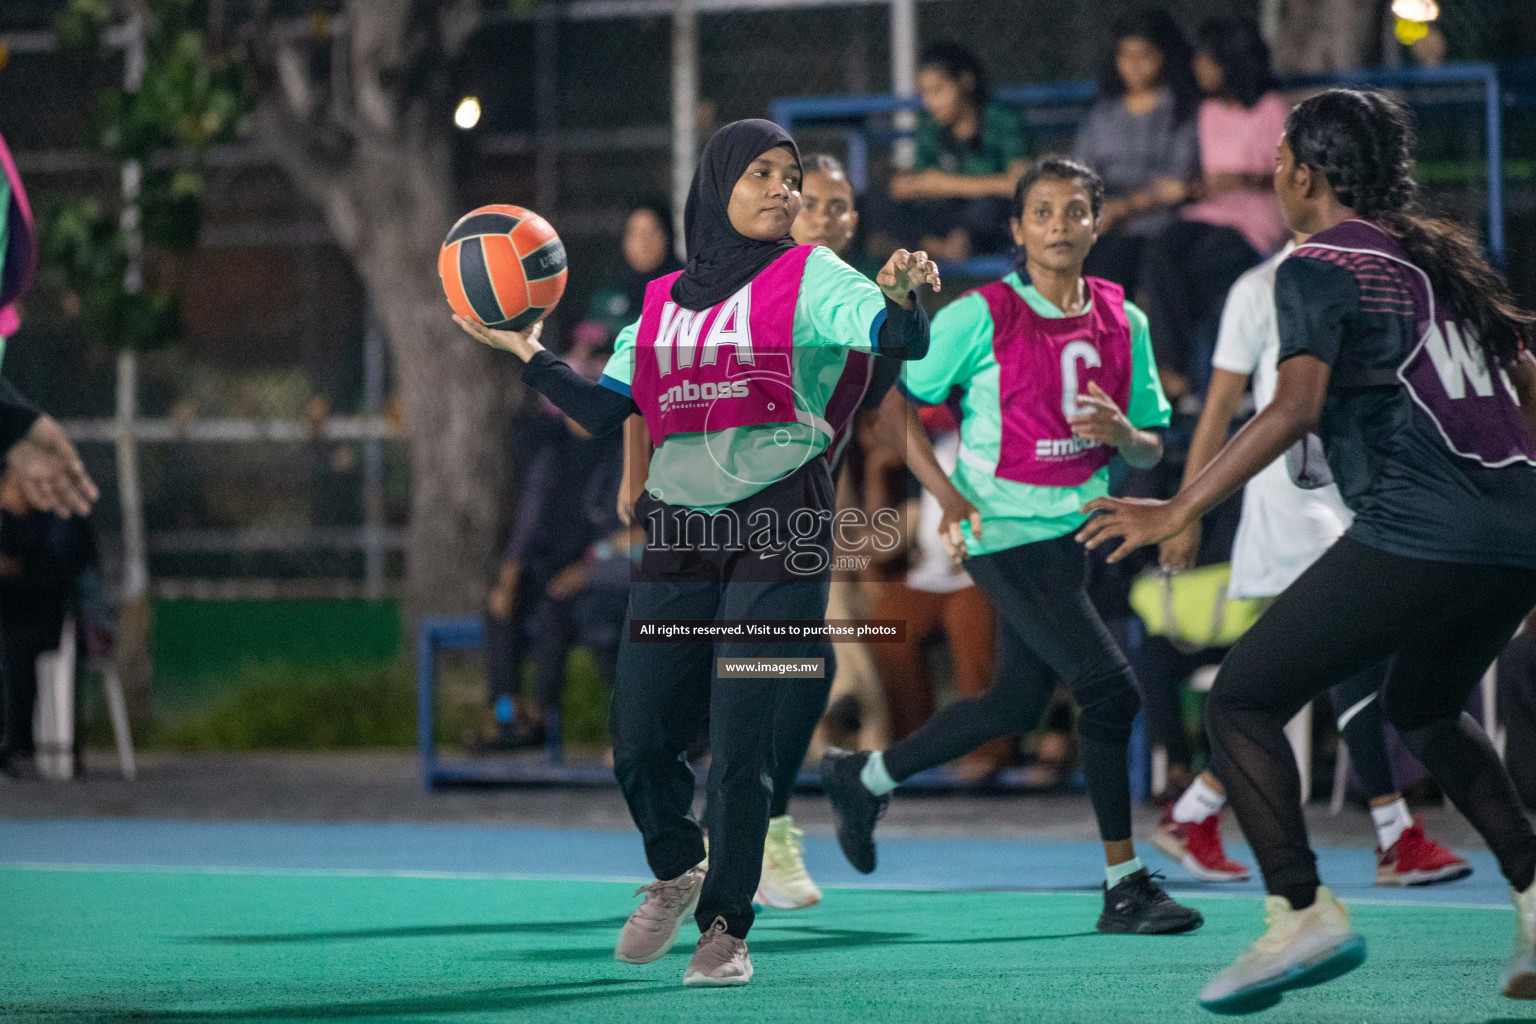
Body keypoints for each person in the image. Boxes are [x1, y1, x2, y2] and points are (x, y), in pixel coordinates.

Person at [1078, 89, 1536, 1012]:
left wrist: (1178, 507)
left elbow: (1291, 407)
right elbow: (1527, 372)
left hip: (1425, 526)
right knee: (1426, 707)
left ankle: (1300, 911)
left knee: (1243, 699)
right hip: (1517, 529)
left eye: (1283, 157)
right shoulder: (1441, 259)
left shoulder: (1316, 264)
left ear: (1302, 172)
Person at [455, 119, 938, 987]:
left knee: (739, 734)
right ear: (716, 185)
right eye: (763, 173)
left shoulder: (813, 274)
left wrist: (902, 296)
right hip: (681, 531)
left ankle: (726, 926)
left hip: (781, 521)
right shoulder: (663, 299)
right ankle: (677, 867)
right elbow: (608, 409)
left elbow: (894, 339)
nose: (784, 190)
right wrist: (524, 350)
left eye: (792, 177)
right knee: (637, 741)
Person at [821, 156, 1201, 937]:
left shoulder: (1124, 320)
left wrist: (1123, 434)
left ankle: (864, 777)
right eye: (1042, 213)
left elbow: (1150, 452)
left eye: (1074, 211)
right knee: (1112, 689)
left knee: (1015, 703)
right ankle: (1124, 885)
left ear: (1099, 223)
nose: (1059, 225)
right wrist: (953, 497)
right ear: (1019, 229)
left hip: (1078, 534)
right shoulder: (982, 314)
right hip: (1000, 532)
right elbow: (899, 410)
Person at [1151, 233, 1470, 887]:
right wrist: (1186, 509)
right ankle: (1395, 835)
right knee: (1355, 653)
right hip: (1291, 500)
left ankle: (1194, 811)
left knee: (1294, 673)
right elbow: (1219, 408)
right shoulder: (1257, 288)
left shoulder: (1384, 274)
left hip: (1357, 495)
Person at [1142, 18, 1289, 401]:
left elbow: (1289, 175)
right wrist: (1192, 188)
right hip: (1208, 214)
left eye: (1206, 60)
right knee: (1160, 252)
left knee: (1200, 272)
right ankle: (1173, 370)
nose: (1198, 69)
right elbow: (1202, 178)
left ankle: (1198, 380)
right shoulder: (1207, 112)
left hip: (1255, 221)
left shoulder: (1271, 109)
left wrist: (1243, 180)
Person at [1072, 9, 1200, 293]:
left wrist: (1123, 208)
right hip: (1106, 221)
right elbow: (1081, 173)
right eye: (1125, 55)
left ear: (1164, 56)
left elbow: (1176, 184)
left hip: (1159, 223)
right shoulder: (1104, 114)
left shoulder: (1180, 111)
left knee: (1121, 264)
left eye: (1144, 56)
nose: (1133, 66)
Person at [880, 42, 1030, 262]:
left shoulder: (1001, 120)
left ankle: (953, 243)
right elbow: (911, 184)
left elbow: (1020, 185)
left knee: (990, 209)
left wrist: (944, 184)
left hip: (988, 218)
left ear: (966, 82)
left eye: (938, 90)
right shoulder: (930, 126)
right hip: (947, 216)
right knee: (875, 205)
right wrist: (913, 184)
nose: (929, 102)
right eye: (924, 93)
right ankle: (938, 247)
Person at [0, 472, 99, 775]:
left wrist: (16, 571)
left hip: (47, 625)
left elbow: (60, 578)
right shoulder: (10, 524)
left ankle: (18, 745)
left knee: (15, 656)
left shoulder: (57, 523)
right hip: (15, 621)